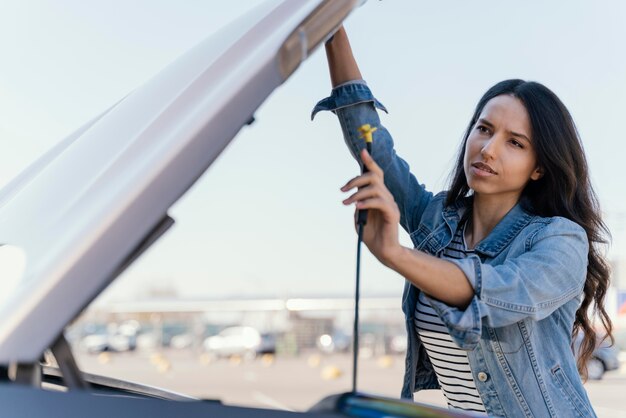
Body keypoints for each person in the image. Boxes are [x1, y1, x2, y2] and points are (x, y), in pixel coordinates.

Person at [312, 27, 613, 417]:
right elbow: (375, 149)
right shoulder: (436, 220)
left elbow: (488, 293)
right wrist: (332, 31)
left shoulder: (560, 241)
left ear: (539, 168)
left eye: (514, 142)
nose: (488, 149)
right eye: (484, 129)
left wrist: (393, 253)